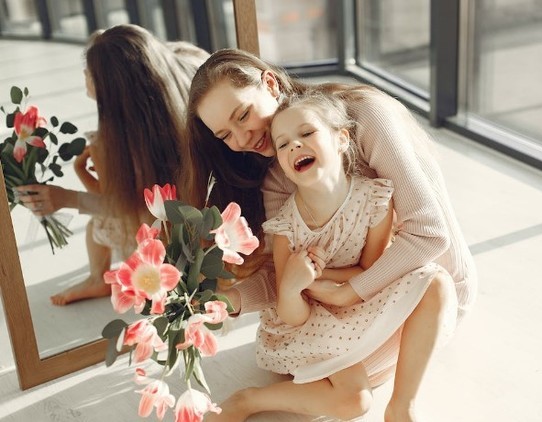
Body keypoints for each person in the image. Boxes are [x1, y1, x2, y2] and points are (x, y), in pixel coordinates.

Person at [182, 48, 477, 422]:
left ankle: (393, 404)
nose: (241, 138)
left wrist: (348, 290)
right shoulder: (279, 175)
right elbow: (285, 274)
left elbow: (428, 234)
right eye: (225, 135)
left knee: (342, 381)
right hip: (343, 307)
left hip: (429, 294)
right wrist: (231, 300)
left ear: (270, 84)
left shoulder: (364, 117)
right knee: (335, 383)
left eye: (243, 115)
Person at [16, 24, 209, 306]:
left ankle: (99, 278)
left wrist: (68, 198)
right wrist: (82, 172)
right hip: (202, 213)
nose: (84, 75)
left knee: (100, 224)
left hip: (188, 229)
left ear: (112, 88)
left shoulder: (124, 141)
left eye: (90, 72)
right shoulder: (177, 73)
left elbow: (132, 208)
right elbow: (121, 195)